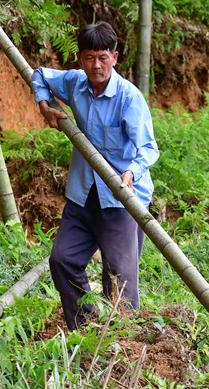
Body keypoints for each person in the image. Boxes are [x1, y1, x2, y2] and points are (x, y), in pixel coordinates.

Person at [31, 22, 160, 329]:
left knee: (120, 283)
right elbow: (39, 74)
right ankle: (86, 328)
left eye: (103, 57)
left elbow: (148, 147)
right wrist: (44, 106)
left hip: (121, 200)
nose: (96, 65)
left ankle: (122, 344)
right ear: (80, 58)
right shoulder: (75, 83)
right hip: (83, 194)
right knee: (62, 260)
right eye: (90, 58)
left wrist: (131, 171)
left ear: (115, 57)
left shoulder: (129, 98)